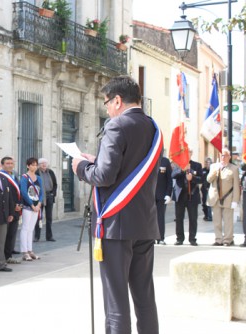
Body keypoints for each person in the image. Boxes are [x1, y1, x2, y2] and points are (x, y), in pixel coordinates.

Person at [72, 76, 160, 333]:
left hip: (116, 226)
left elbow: (104, 176)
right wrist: (96, 161)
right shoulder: (153, 127)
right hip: (144, 223)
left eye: (107, 103)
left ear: (118, 100)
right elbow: (124, 168)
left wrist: (81, 167)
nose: (107, 109)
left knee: (116, 302)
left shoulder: (116, 126)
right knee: (145, 298)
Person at [206, 149, 240, 246]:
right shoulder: (214, 166)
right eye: (221, 155)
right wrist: (215, 172)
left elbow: (236, 186)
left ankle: (227, 239)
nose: (223, 157)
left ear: (229, 157)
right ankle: (218, 239)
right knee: (217, 221)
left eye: (225, 155)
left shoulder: (233, 168)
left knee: (228, 220)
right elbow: (208, 180)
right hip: (215, 198)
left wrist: (235, 200)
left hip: (227, 197)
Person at [172, 149, 203, 246]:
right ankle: (179, 238)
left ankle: (192, 239)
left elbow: (201, 179)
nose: (187, 154)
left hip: (192, 196)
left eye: (189, 152)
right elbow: (173, 175)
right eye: (185, 152)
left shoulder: (197, 165)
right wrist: (183, 170)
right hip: (180, 196)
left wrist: (192, 178)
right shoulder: (178, 164)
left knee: (193, 218)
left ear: (191, 153)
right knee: (179, 218)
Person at [20, 157, 43, 261]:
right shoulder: (24, 177)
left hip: (36, 207)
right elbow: (24, 192)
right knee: (25, 228)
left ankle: (30, 250)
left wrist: (39, 204)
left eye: (35, 165)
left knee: (31, 229)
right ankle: (24, 251)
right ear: (28, 166)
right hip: (27, 207)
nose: (34, 166)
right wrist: (32, 205)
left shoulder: (39, 178)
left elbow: (42, 192)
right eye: (32, 164)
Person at [0, 157, 22, 264]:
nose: (10, 165)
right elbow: (4, 195)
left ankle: (8, 255)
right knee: (4, 235)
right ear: (2, 165)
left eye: (11, 163)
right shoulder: (1, 176)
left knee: (12, 234)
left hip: (16, 209)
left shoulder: (15, 175)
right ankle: (2, 256)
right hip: (7, 210)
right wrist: (13, 206)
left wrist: (20, 205)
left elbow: (19, 191)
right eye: (7, 163)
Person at [35, 158, 57, 242]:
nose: (44, 165)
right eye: (42, 163)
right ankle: (37, 236)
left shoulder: (50, 172)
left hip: (49, 196)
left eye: (45, 163)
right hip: (40, 198)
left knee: (49, 218)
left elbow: (55, 184)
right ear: (39, 165)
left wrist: (53, 194)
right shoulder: (36, 173)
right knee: (39, 217)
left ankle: (49, 236)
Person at [155, 155, 172, 245]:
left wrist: (168, 194)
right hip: (149, 195)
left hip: (162, 196)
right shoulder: (149, 159)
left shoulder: (165, 161)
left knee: (160, 217)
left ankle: (160, 238)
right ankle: (150, 238)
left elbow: (169, 179)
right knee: (149, 218)